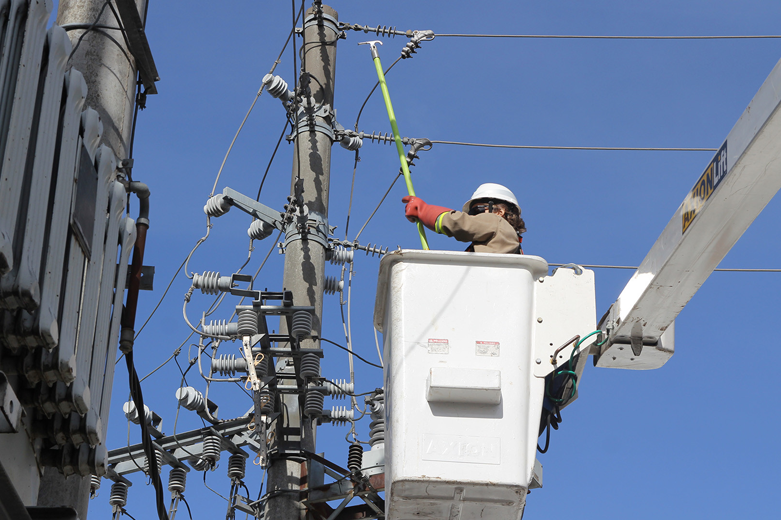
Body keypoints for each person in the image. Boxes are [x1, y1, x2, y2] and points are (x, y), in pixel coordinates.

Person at [402, 183, 526, 254]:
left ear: (499, 212)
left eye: (478, 210)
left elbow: (458, 223)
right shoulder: (509, 243)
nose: (475, 217)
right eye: (472, 213)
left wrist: (423, 210)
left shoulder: (496, 223)